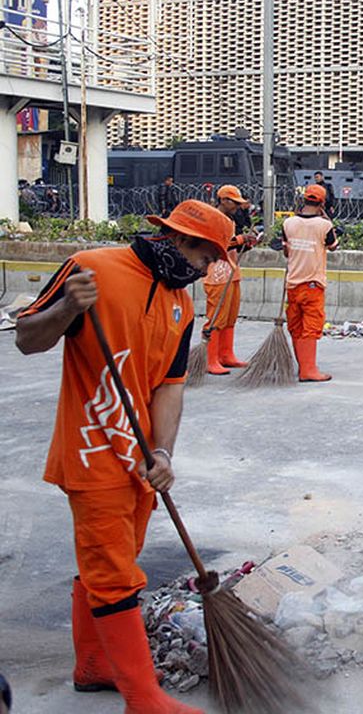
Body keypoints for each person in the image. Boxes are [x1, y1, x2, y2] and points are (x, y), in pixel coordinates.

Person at [15, 199, 230, 714]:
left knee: (110, 563)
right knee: (113, 573)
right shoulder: (94, 268)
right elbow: (27, 339)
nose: (204, 272)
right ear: (180, 241)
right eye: (205, 259)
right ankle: (144, 699)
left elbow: (170, 386)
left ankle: (94, 666)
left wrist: (162, 452)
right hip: (91, 451)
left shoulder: (182, 304)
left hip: (138, 464)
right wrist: (68, 307)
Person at [283, 185, 338, 382]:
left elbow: (286, 251)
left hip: (292, 284)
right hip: (313, 284)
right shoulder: (324, 226)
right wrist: (327, 219)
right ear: (322, 203)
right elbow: (333, 246)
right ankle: (308, 371)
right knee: (311, 327)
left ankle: (303, 367)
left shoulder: (288, 223)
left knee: (296, 326)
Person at [201, 185, 258, 374]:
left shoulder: (230, 220)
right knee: (216, 317)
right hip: (216, 274)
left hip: (231, 272)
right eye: (234, 202)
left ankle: (226, 354)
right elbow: (216, 245)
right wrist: (240, 240)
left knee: (231, 316)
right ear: (223, 200)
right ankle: (211, 360)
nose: (237, 206)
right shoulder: (212, 218)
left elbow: (232, 245)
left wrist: (246, 244)